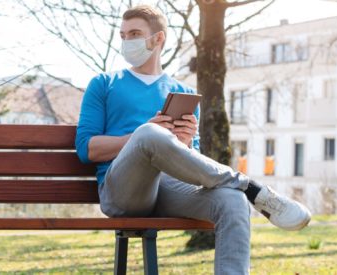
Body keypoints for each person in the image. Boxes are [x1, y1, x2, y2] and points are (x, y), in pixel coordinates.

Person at [75, 5, 311, 274]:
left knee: (231, 200)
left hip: (170, 189)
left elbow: (194, 165)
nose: (128, 41)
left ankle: (242, 192)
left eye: (135, 33)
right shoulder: (104, 83)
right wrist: (140, 136)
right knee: (150, 133)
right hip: (124, 193)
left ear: (158, 38)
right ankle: (248, 186)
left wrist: (186, 143)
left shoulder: (182, 93)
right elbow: (86, 149)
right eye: (124, 35)